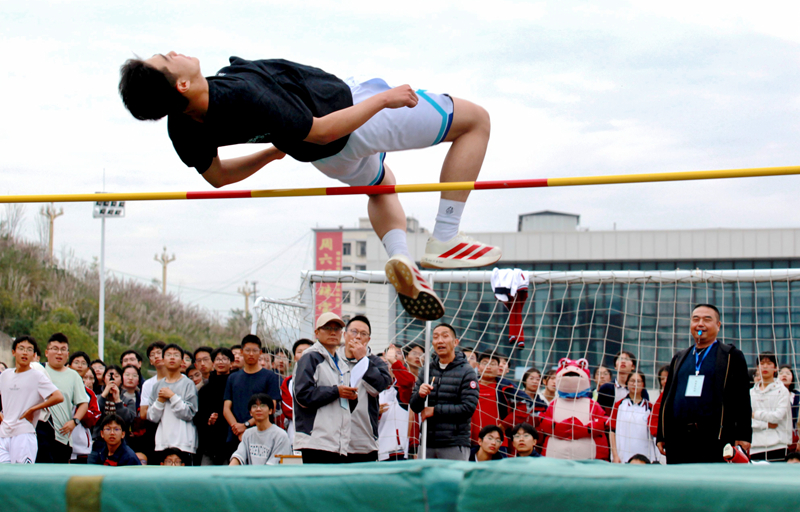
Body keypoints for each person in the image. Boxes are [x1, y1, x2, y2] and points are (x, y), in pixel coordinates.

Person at [118, 53, 501, 322]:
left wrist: (270, 154)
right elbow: (323, 129)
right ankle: (446, 238)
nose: (173, 52)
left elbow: (217, 176)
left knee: (381, 185)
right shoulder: (243, 94)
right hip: (352, 117)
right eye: (166, 59)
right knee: (475, 121)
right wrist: (385, 100)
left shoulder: (181, 124)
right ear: (182, 84)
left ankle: (401, 256)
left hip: (326, 158)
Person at [657, 304, 752, 464]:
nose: (700, 324)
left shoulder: (730, 356)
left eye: (707, 319)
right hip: (679, 439)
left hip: (716, 439)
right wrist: (662, 434)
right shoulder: (680, 357)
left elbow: (742, 399)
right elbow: (667, 398)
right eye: (696, 319)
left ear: (718, 325)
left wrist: (743, 435)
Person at [293, 313, 358, 463]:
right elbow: (303, 395)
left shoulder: (342, 364)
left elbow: (344, 405)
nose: (333, 332)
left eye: (337, 328)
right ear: (316, 332)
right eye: (327, 328)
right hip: (315, 441)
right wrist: (336, 391)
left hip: (338, 442)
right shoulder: (310, 358)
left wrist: (352, 398)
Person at [410, 323, 479, 460]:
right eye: (435, 337)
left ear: (455, 342)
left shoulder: (467, 372)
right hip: (427, 443)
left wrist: (434, 411)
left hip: (454, 444)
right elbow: (414, 406)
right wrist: (420, 395)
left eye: (445, 336)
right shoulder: (427, 370)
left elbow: (468, 408)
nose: (440, 340)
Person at [0, 336, 64, 464]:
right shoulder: (5, 375)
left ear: (34, 355)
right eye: (21, 349)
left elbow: (58, 396)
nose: (25, 352)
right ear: (13, 352)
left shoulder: (37, 376)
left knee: (21, 477)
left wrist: (33, 409)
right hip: (3, 434)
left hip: (24, 433)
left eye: (29, 350)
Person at [339, 316, 393, 463]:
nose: (357, 337)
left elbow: (378, 387)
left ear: (368, 339)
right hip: (333, 441)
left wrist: (363, 360)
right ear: (344, 335)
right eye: (354, 331)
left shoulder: (376, 362)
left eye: (363, 334)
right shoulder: (333, 359)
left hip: (363, 441)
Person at [223, 335, 282, 456]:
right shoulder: (233, 377)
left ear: (260, 352)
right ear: (241, 352)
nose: (251, 354)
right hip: (235, 436)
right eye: (247, 350)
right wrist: (237, 428)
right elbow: (226, 408)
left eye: (255, 351)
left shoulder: (270, 377)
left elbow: (271, 407)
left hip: (262, 435)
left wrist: (245, 426)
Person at [37, 333, 90, 463]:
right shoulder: (38, 371)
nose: (59, 353)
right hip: (38, 434)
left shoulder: (73, 376)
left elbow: (83, 403)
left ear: (67, 353)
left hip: (62, 437)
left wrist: (75, 421)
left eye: (63, 349)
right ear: (46, 352)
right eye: (55, 349)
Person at [146, 344, 199, 464]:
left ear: (182, 361)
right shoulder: (157, 386)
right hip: (162, 442)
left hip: (184, 442)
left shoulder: (188, 384)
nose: (172, 358)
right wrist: (160, 400)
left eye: (176, 355)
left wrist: (172, 396)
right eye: (168, 355)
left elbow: (190, 413)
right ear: (163, 360)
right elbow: (152, 417)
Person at [195, 347, 234, 465]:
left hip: (230, 442)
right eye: (217, 359)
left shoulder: (235, 384)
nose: (221, 362)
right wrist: (208, 420)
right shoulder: (205, 389)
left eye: (225, 359)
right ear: (213, 363)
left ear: (231, 363)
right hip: (210, 445)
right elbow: (198, 416)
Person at [750, 352, 792, 461]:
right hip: (755, 447)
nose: (765, 366)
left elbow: (777, 417)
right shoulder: (751, 393)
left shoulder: (782, 391)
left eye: (769, 363)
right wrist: (768, 423)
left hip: (777, 446)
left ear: (775, 368)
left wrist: (755, 415)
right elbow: (746, 419)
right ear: (757, 367)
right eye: (762, 363)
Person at [229, 393, 291, 465]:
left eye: (263, 406)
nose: (258, 409)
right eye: (254, 406)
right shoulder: (248, 433)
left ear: (270, 411)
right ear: (250, 412)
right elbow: (238, 456)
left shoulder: (281, 435)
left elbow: (273, 465)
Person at [609, 371, 657, 464]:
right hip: (623, 456)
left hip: (645, 456)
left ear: (643, 384)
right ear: (627, 383)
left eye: (638, 381)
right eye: (632, 381)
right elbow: (612, 431)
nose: (635, 384)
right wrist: (615, 455)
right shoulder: (619, 405)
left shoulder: (650, 407)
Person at [67, 352, 102, 463]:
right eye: (76, 362)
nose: (79, 366)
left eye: (83, 363)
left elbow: (93, 419)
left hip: (80, 447)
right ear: (69, 365)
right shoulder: (61, 388)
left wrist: (81, 408)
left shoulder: (89, 394)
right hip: (61, 440)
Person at [280, 339, 314, 446]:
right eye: (299, 352)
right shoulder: (288, 382)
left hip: (319, 436)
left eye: (307, 350)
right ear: (294, 357)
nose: (303, 354)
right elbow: (287, 409)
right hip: (295, 435)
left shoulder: (323, 379)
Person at [96, 365, 137, 437]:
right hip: (99, 438)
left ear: (121, 380)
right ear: (104, 378)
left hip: (121, 439)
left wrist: (118, 401)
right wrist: (103, 396)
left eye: (117, 376)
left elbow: (129, 420)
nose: (112, 378)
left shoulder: (128, 401)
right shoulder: (96, 398)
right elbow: (94, 414)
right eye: (109, 375)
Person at [778, 364, 800, 431]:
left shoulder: (797, 396)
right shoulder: (772, 395)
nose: (784, 375)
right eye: (781, 373)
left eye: (788, 373)